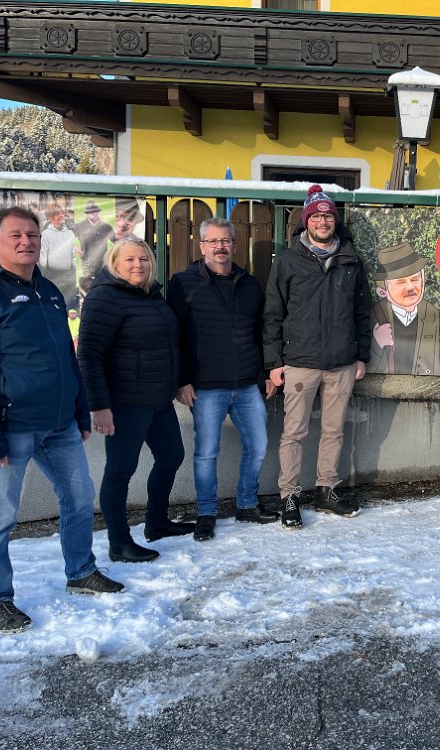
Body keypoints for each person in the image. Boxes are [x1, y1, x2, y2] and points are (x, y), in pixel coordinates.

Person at [0, 206, 123, 635]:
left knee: (79, 499)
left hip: (60, 424)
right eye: (16, 235)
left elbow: (66, 357)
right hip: (10, 428)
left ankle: (81, 571)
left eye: (32, 235)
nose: (26, 242)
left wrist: (79, 411)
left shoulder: (48, 291)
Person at [263, 184, 372, 529]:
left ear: (334, 221)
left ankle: (327, 489)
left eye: (328, 216)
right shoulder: (288, 260)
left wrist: (361, 355)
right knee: (293, 433)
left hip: (342, 362)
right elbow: (273, 314)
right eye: (316, 216)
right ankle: (289, 495)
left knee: (333, 430)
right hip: (300, 362)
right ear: (306, 220)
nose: (323, 221)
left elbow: (362, 312)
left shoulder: (351, 260)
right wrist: (274, 362)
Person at [76, 238, 191, 562]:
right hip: (125, 402)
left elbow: (169, 344)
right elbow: (89, 355)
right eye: (129, 260)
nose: (138, 265)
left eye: (143, 259)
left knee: (171, 456)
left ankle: (157, 523)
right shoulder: (105, 297)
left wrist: (178, 382)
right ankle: (119, 543)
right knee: (120, 470)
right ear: (114, 262)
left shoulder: (151, 295)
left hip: (158, 399)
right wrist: (99, 406)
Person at [167, 218, 280, 542]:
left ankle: (247, 503)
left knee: (258, 446)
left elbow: (260, 333)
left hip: (246, 384)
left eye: (226, 241)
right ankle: (206, 513)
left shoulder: (250, 284)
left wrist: (265, 374)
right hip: (205, 386)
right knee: (206, 453)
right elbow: (175, 336)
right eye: (213, 241)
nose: (220, 247)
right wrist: (182, 381)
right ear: (202, 246)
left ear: (234, 244)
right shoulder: (183, 283)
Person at [369, 242, 440, 376]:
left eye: (414, 279)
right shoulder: (375, 314)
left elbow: (433, 362)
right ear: (382, 291)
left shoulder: (431, 313)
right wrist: (378, 344)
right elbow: (365, 365)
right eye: (400, 282)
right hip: (385, 384)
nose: (410, 287)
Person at [39, 203, 77, 302]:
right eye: (57, 214)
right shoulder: (45, 234)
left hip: (68, 277)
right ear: (50, 217)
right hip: (52, 277)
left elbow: (73, 255)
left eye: (62, 213)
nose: (62, 215)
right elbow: (43, 259)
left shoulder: (70, 233)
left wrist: (73, 271)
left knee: (69, 302)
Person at [74, 200, 113, 278]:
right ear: (87, 214)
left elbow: (117, 241)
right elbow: (67, 239)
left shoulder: (106, 226)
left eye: (97, 211)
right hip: (88, 263)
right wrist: (79, 251)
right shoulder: (80, 226)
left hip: (103, 262)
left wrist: (111, 254)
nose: (95, 214)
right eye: (92, 212)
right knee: (89, 283)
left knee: (103, 282)